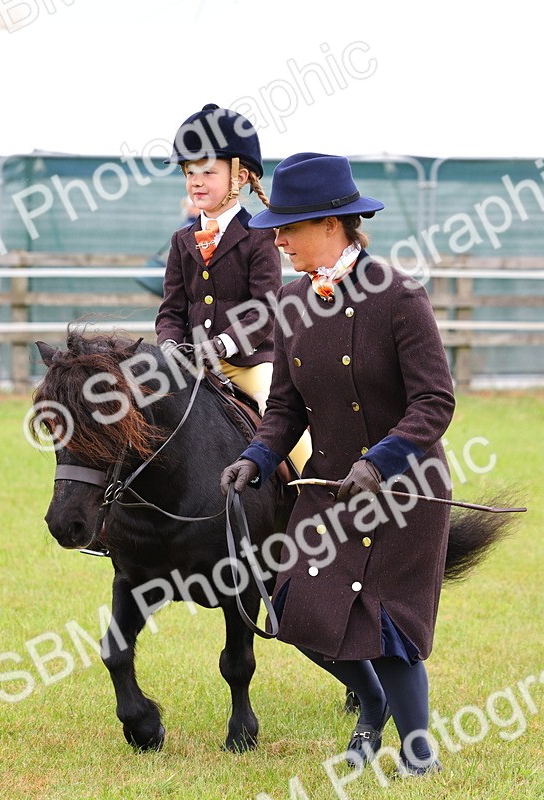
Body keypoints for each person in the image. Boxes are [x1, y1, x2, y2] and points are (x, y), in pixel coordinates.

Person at [219, 153, 453, 775]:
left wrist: (380, 462)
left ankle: (419, 752)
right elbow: (287, 405)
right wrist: (259, 455)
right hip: (328, 491)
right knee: (294, 606)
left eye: (288, 227)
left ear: (331, 224)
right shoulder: (292, 302)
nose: (277, 238)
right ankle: (371, 707)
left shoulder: (400, 296)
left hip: (406, 489)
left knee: (390, 627)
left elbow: (436, 400)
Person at [156, 103, 310, 472]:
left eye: (208, 172)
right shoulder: (181, 240)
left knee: (284, 417)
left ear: (239, 177)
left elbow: (265, 308)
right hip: (188, 360)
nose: (196, 181)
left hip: (249, 362)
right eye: (190, 173)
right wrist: (169, 346)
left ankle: (319, 495)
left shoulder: (259, 235)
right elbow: (172, 307)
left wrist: (222, 344)